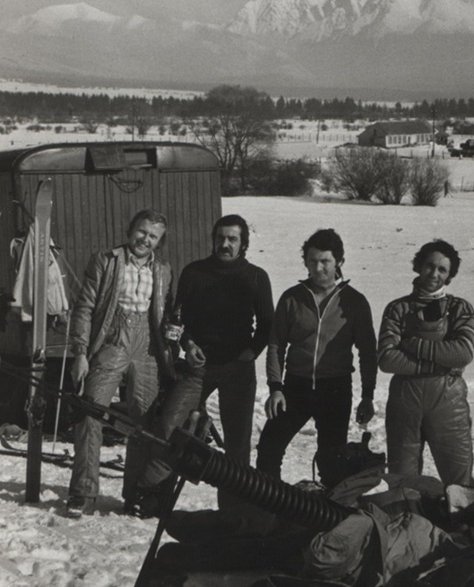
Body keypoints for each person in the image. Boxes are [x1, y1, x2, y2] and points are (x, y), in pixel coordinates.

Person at [133, 213, 274, 513]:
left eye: (232, 239)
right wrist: (189, 344)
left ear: (243, 244)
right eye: (220, 238)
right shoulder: (194, 273)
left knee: (237, 444)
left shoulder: (256, 277)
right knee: (170, 427)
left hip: (237, 369)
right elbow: (180, 319)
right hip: (199, 367)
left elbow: (267, 324)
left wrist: (251, 351)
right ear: (213, 240)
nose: (225, 244)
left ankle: (233, 510)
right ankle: (153, 497)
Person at [66, 209, 174, 516]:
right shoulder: (107, 260)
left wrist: (171, 332)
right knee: (90, 412)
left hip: (148, 347)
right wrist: (81, 353)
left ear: (159, 241)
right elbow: (84, 308)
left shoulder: (163, 270)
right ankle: (83, 494)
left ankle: (135, 495)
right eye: (141, 232)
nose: (145, 239)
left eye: (153, 236)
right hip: (112, 341)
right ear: (130, 231)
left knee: (143, 421)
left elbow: (165, 314)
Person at [256, 228, 377, 486]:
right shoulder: (292, 298)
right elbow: (276, 344)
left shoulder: (354, 302)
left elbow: (367, 352)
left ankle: (326, 519)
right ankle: (270, 511)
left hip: (335, 389)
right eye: (312, 261)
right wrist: (276, 387)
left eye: (325, 261)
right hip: (295, 388)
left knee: (332, 462)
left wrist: (367, 395)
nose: (318, 268)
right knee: (268, 450)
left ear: (339, 262)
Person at [378, 239, 474, 485]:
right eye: (430, 266)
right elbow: (387, 359)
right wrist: (439, 363)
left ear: (449, 275)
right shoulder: (397, 309)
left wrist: (414, 346)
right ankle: (411, 523)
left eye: (442, 269)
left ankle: (462, 523)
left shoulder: (459, 309)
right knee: (403, 482)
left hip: (448, 405)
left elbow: (463, 353)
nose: (434, 273)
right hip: (405, 404)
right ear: (419, 266)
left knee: (459, 481)